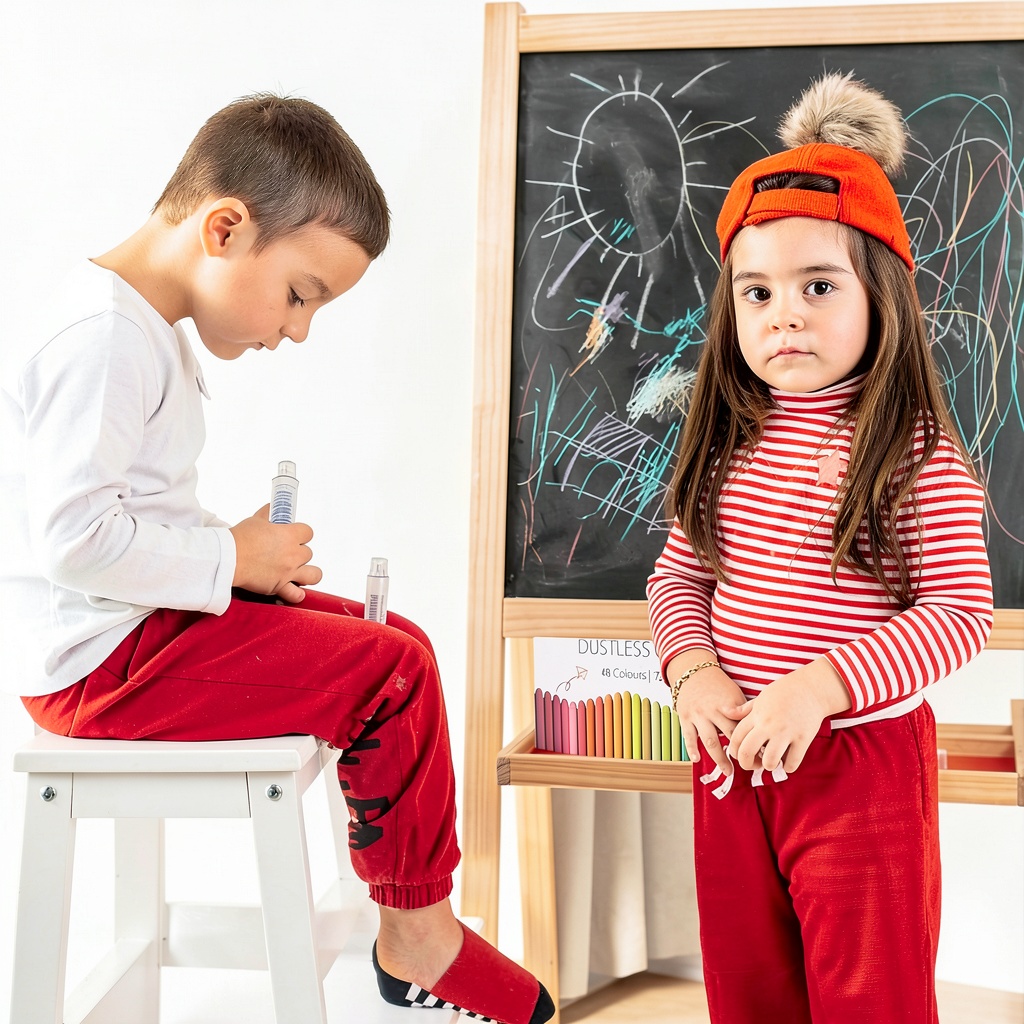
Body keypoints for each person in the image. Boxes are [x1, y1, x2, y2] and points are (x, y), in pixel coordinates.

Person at [0, 93, 553, 1024]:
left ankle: (411, 917)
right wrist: (227, 554)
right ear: (225, 228)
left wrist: (238, 558)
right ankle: (419, 937)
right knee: (391, 674)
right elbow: (75, 542)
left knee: (402, 643)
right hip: (100, 666)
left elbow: (126, 514)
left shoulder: (139, 330)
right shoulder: (105, 338)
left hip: (133, 633)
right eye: (301, 294)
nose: (297, 330)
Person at [646, 73, 993, 1024]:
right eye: (757, 291)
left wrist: (820, 688)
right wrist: (693, 675)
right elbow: (679, 578)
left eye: (819, 286)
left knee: (870, 998)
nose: (784, 313)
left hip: (857, 766)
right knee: (749, 991)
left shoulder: (914, 451)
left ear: (882, 292)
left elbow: (959, 616)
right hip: (732, 758)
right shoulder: (727, 440)